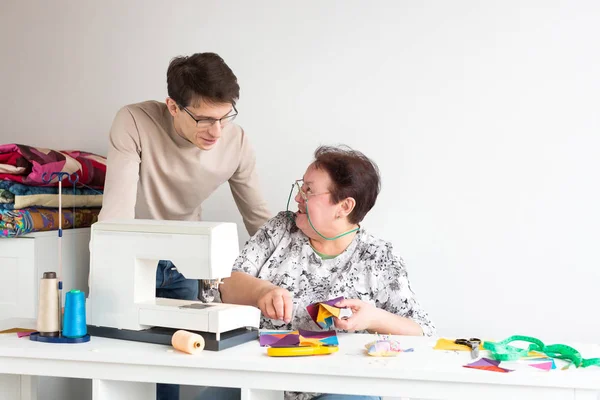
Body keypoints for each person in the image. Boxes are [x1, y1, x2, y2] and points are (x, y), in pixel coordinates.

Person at [97, 52, 271, 400]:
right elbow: (116, 213)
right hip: (132, 258)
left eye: (225, 117)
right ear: (173, 106)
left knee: (172, 364)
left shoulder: (235, 142)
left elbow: (259, 218)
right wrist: (108, 276)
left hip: (185, 265)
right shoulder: (134, 121)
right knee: (121, 363)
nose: (217, 132)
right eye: (205, 119)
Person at [200, 145, 435, 400]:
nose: (299, 197)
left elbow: (423, 332)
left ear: (344, 206)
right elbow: (223, 283)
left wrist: (372, 318)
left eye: (309, 190)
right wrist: (262, 291)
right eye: (301, 186)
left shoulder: (378, 257)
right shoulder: (281, 228)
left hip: (336, 387)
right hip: (258, 377)